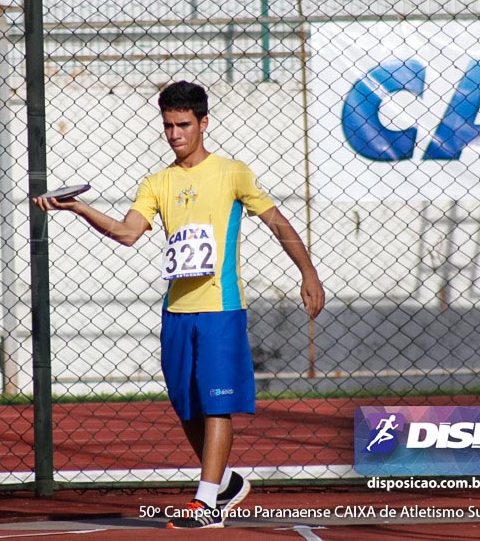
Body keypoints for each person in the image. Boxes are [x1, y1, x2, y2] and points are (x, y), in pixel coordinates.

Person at [33, 81, 325, 529]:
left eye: (183, 124)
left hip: (221, 308)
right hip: (177, 310)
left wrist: (307, 271)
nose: (174, 134)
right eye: (168, 125)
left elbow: (276, 221)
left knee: (216, 404)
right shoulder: (158, 182)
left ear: (203, 123)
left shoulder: (232, 173)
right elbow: (128, 232)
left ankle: (208, 503)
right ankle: (224, 484)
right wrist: (77, 208)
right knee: (186, 404)